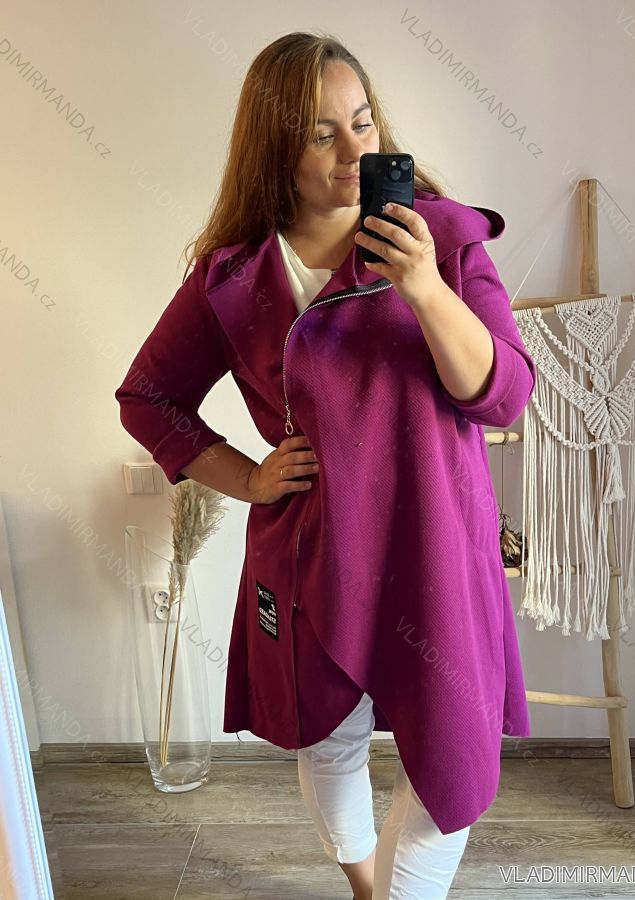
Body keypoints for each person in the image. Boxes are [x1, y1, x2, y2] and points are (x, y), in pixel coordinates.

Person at [115, 31, 537, 900]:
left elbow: (503, 396)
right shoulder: (234, 278)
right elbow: (148, 396)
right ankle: (364, 885)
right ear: (275, 149)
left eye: (363, 122)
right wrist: (250, 477)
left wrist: (424, 287)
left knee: (450, 762)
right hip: (315, 552)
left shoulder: (443, 239)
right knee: (330, 740)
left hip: (434, 545)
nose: (354, 151)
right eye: (320, 133)